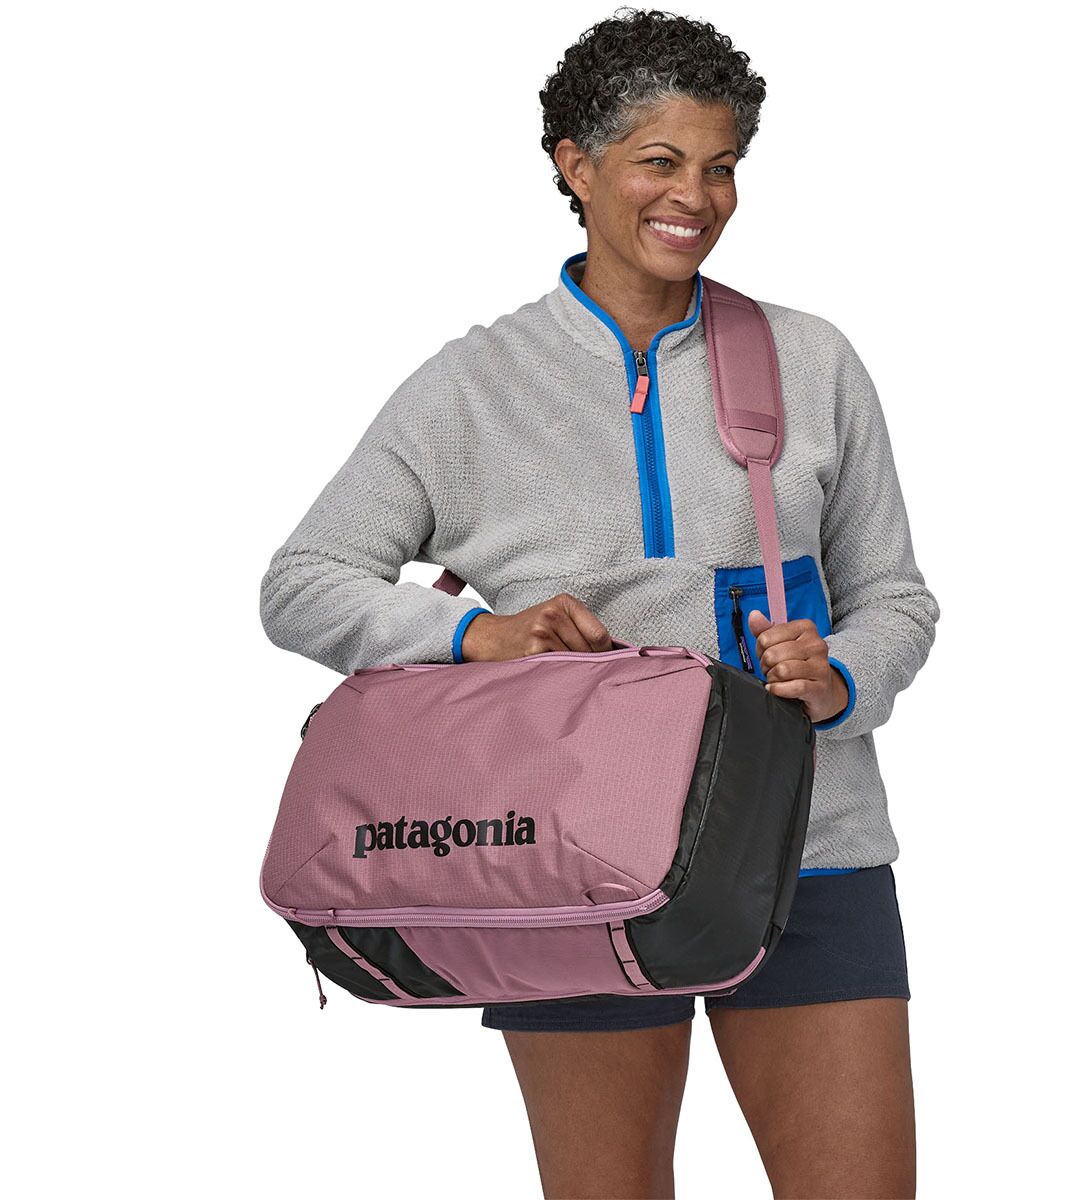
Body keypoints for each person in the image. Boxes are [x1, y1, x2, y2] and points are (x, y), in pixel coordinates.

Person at [260, 7, 939, 1196]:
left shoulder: (811, 361)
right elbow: (302, 582)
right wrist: (473, 634)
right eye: (660, 161)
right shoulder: (470, 389)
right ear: (575, 166)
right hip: (565, 863)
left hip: (811, 855)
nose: (697, 198)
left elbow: (895, 598)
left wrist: (841, 675)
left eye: (721, 167)